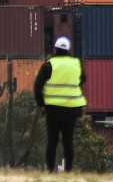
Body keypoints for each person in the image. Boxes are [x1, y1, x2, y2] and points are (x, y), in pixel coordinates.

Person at [33, 35, 86, 173]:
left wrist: (42, 105)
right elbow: (83, 79)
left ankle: (51, 170)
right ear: (69, 50)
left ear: (55, 50)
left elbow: (37, 86)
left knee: (52, 142)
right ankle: (68, 171)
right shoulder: (76, 64)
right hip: (71, 109)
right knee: (68, 142)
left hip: (53, 109)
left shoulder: (49, 64)